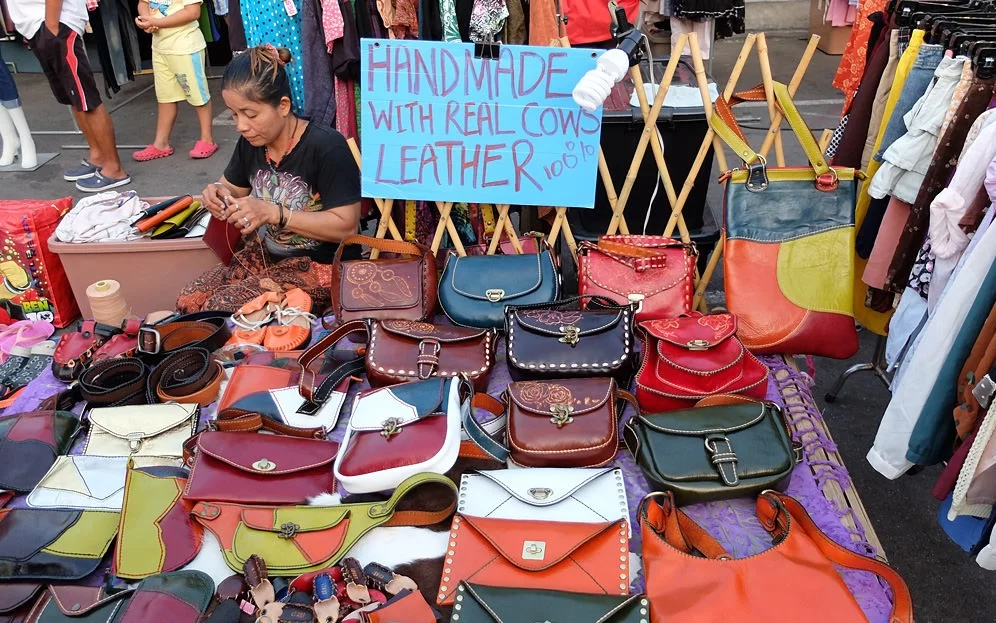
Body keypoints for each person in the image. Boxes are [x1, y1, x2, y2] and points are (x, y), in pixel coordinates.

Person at [177, 45, 362, 316]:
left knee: (219, 309)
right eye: (234, 114)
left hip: (323, 267)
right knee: (190, 301)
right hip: (267, 257)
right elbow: (231, 187)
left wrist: (276, 214)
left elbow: (346, 227)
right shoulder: (252, 142)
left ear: (283, 106)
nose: (241, 125)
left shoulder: (327, 147)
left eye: (250, 114)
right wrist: (216, 193)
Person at [7, 0, 131, 191]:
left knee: (86, 99)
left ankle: (114, 169)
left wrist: (51, 26)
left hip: (54, 24)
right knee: (75, 98)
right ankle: (97, 157)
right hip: (41, 25)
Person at [132, 0, 218, 161]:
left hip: (185, 46)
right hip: (160, 47)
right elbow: (143, 2)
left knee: (198, 95)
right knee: (165, 97)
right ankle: (161, 143)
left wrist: (155, 22)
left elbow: (193, 12)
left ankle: (207, 139)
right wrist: (146, 19)